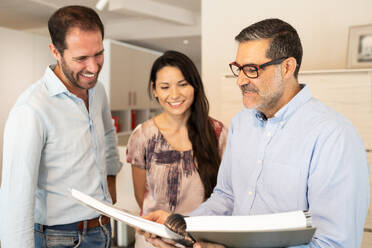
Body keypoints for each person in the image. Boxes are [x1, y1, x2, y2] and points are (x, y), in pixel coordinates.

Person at [143, 18, 370, 248]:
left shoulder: (333, 136)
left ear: (287, 67)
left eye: (252, 70)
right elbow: (226, 198)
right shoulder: (242, 123)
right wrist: (182, 226)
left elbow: (333, 244)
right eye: (239, 68)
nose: (241, 80)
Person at [0, 5, 122, 248]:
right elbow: (16, 200)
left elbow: (108, 135)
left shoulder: (97, 91)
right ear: (55, 51)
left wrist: (109, 180)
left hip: (103, 230)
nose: (94, 67)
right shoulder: (31, 109)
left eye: (98, 54)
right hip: (59, 238)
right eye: (81, 58)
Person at [125, 50, 228, 247]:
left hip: (202, 241)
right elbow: (142, 197)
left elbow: (226, 193)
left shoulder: (217, 133)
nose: (174, 95)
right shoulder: (143, 135)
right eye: (165, 87)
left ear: (195, 86)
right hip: (154, 240)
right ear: (154, 90)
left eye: (183, 85)